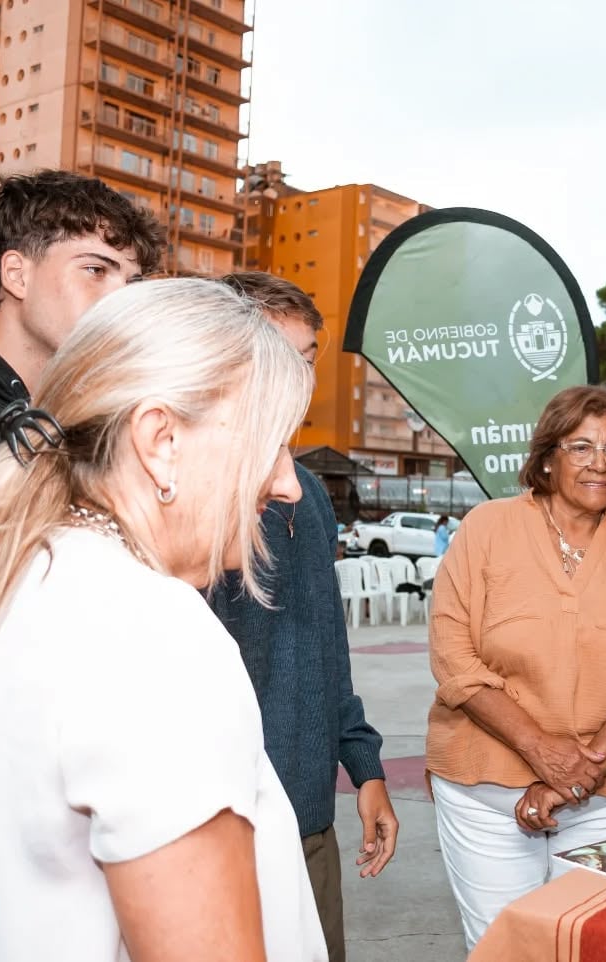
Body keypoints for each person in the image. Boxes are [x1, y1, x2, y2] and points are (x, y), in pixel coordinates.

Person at [0, 278, 326, 960]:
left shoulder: (27, 580)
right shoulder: (149, 632)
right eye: (272, 441)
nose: (287, 484)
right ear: (161, 441)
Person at [0, 169, 162, 960]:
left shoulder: (66, 428)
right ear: (14, 274)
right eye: (96, 269)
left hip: (41, 830)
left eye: (133, 278)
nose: (120, 296)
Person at [426, 385, 606, 948]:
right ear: (547, 456)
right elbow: (453, 657)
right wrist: (540, 749)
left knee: (582, 945)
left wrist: (575, 778)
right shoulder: (486, 528)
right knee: (501, 946)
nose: (600, 464)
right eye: (581, 446)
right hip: (484, 790)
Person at [209, 272, 397, 962]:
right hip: (218, 824)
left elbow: (326, 646)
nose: (297, 376)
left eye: (307, 356)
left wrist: (364, 764)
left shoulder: (307, 491)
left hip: (308, 819)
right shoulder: (186, 491)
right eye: (274, 352)